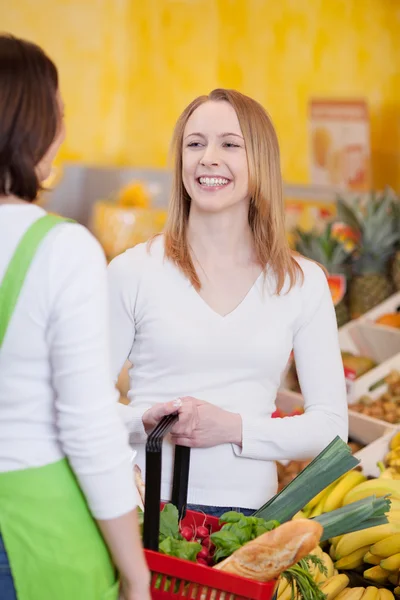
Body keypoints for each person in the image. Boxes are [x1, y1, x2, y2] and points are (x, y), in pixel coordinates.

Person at [109, 88, 348, 518]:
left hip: (249, 519)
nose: (208, 158)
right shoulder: (133, 270)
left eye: (230, 144)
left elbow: (331, 427)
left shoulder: (302, 282)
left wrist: (232, 428)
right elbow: (80, 404)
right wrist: (142, 422)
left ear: (260, 161)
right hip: (142, 506)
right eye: (194, 143)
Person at [0, 35, 150, 600]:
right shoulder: (61, 248)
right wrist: (135, 574)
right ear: (31, 123)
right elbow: (85, 426)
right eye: (58, 111)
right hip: (28, 534)